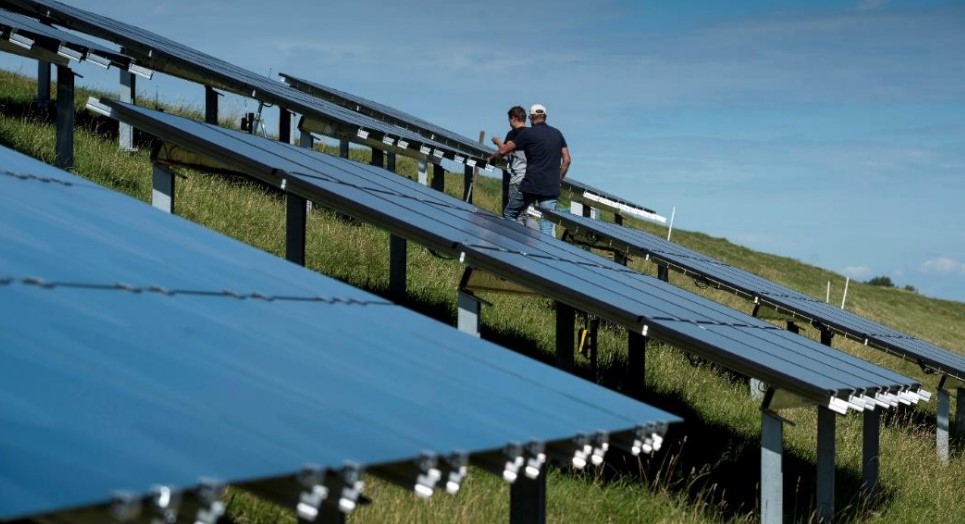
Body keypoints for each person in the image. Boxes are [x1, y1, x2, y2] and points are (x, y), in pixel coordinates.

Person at [490, 103, 571, 237]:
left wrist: (492, 158)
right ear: (545, 117)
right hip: (551, 187)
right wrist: (559, 178)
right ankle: (545, 255)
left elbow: (504, 150)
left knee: (511, 213)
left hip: (531, 185)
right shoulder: (558, 134)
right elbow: (567, 160)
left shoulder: (527, 133)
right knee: (547, 225)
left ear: (531, 117)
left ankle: (519, 245)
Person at [492, 106, 537, 229]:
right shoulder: (532, 134)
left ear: (514, 118)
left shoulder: (513, 134)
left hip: (518, 180)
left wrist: (497, 141)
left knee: (514, 214)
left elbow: (504, 153)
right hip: (532, 181)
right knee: (528, 215)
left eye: (509, 119)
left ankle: (519, 241)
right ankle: (535, 241)